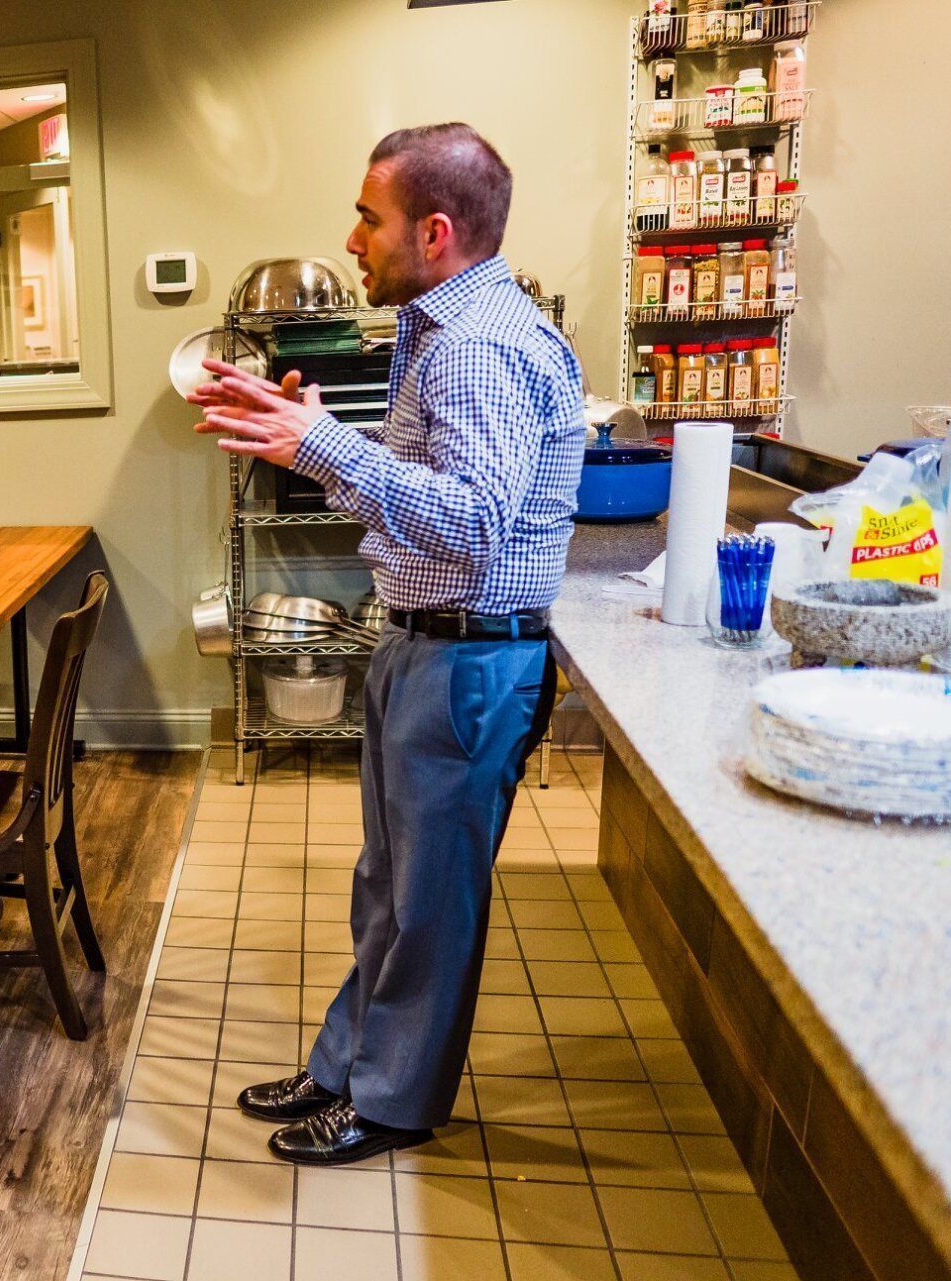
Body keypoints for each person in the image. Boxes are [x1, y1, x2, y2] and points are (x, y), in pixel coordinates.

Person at [191, 124, 584, 1165]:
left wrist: (314, 443)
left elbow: (471, 521)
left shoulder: (476, 346)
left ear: (437, 232)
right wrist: (315, 438)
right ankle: (348, 1065)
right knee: (389, 887)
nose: (353, 237)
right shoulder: (445, 328)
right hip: (424, 644)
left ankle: (395, 1102)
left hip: (465, 663)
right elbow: (432, 497)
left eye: (371, 218)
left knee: (431, 903)